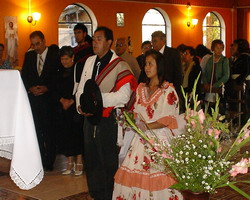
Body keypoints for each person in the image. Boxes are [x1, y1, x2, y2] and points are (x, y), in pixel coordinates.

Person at [75, 26, 137, 200]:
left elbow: (124, 96)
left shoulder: (119, 65)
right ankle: (95, 194)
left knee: (107, 161)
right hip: (89, 119)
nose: (95, 42)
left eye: (99, 39)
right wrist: (81, 106)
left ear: (109, 42)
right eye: (93, 39)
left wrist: (95, 102)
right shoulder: (89, 61)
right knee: (92, 160)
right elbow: (81, 88)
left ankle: (109, 196)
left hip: (108, 120)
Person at [112, 49, 183, 199]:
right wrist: (129, 118)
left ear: (160, 66)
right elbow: (137, 112)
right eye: (145, 64)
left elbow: (169, 119)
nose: (147, 67)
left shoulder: (168, 90)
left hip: (160, 141)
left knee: (160, 177)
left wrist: (147, 127)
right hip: (140, 140)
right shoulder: (140, 89)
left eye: (151, 64)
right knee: (136, 177)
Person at [22, 31, 60, 171]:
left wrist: (47, 88)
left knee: (49, 131)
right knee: (36, 130)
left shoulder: (54, 55)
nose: (36, 47)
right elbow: (25, 75)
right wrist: (30, 88)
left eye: (38, 43)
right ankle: (39, 159)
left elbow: (58, 77)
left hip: (49, 100)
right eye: (33, 44)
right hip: (34, 99)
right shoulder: (30, 55)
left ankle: (49, 161)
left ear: (44, 41)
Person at [53, 46, 84, 176]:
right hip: (63, 107)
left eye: (66, 59)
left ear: (72, 57)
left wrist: (71, 101)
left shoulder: (79, 69)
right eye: (62, 59)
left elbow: (81, 86)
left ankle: (79, 163)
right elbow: (54, 87)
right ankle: (69, 163)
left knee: (76, 134)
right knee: (66, 135)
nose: (64, 62)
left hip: (75, 107)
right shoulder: (58, 71)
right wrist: (61, 100)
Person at [151, 31, 182, 98]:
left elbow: (178, 74)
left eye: (155, 41)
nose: (153, 44)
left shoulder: (173, 53)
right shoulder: (152, 55)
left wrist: (176, 92)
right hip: (155, 90)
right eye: (152, 42)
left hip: (170, 89)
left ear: (163, 40)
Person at [203, 39, 229, 114]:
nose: (219, 50)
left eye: (221, 48)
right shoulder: (210, 60)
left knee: (219, 110)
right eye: (217, 48)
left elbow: (226, 76)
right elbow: (205, 73)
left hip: (219, 88)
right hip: (209, 88)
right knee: (208, 108)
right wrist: (205, 83)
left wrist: (215, 85)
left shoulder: (224, 60)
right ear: (213, 48)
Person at [229, 39, 250, 124]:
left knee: (243, 108)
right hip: (238, 86)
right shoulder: (239, 58)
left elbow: (246, 71)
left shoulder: (246, 57)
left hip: (244, 86)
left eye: (234, 45)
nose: (231, 47)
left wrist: (237, 81)